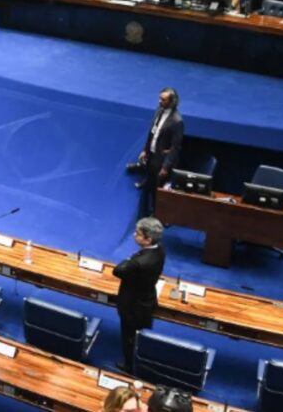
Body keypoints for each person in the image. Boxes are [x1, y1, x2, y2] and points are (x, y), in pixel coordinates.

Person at [113, 217, 166, 373]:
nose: (134, 235)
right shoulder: (160, 250)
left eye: (137, 233)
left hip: (132, 304)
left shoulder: (138, 262)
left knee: (128, 336)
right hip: (147, 299)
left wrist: (129, 259)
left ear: (148, 240)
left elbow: (118, 270)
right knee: (138, 334)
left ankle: (128, 366)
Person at [126, 87, 183, 215]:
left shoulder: (177, 121)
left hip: (162, 158)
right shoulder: (159, 111)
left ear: (172, 101)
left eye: (163, 100)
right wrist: (145, 150)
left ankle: (156, 212)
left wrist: (166, 167)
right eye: (159, 98)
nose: (159, 101)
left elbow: (175, 147)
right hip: (152, 152)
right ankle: (146, 183)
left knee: (157, 189)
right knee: (150, 179)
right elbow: (152, 132)